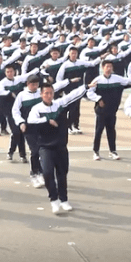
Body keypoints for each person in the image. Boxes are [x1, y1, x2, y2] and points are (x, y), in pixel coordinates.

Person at [21, 81, 89, 214]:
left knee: (62, 174)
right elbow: (31, 121)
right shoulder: (37, 109)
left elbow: (72, 96)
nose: (48, 95)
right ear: (41, 94)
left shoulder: (59, 104)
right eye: (46, 93)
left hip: (61, 146)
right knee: (47, 173)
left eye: (51, 93)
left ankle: (64, 199)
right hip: (45, 147)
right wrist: (47, 121)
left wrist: (86, 87)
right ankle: (54, 200)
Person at [85, 60, 131, 161]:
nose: (109, 69)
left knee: (111, 130)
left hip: (112, 110)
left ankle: (113, 151)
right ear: (103, 68)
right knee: (99, 130)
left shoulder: (117, 78)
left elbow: (130, 81)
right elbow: (89, 92)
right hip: (101, 110)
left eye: (110, 67)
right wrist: (98, 99)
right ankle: (96, 151)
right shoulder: (98, 80)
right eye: (107, 66)